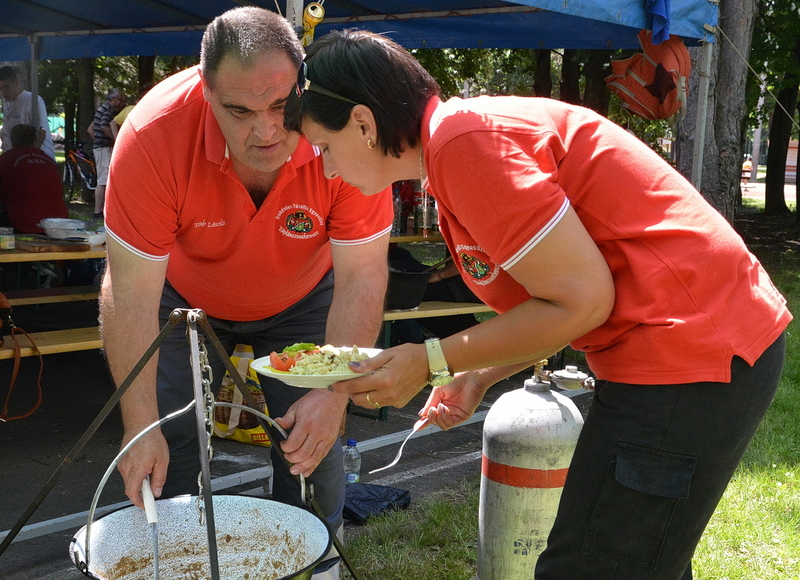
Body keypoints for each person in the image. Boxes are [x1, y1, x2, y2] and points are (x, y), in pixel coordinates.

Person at [283, 30, 792, 580]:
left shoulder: (461, 144)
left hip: (693, 354)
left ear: (364, 124)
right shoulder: (456, 141)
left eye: (324, 148)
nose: (326, 170)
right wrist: (478, 374)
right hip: (689, 353)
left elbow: (581, 301)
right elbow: (559, 302)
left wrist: (430, 360)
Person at [99, 10, 392, 579]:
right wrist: (139, 426)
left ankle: (313, 568)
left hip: (303, 297)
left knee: (312, 445)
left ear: (303, 85)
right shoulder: (153, 135)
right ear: (205, 90)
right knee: (169, 439)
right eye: (239, 111)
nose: (266, 132)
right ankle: (175, 566)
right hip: (182, 300)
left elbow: (362, 275)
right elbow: (129, 294)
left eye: (281, 105)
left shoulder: (343, 129)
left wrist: (333, 395)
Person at [0, 124, 68, 233]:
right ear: (34, 139)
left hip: (23, 222)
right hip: (59, 221)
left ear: (12, 140)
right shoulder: (47, 159)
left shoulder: (6, 159)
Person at [0, 66, 55, 161]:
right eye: (0, 89)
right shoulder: (9, 105)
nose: (3, 92)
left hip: (37, 160)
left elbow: (41, 134)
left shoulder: (33, 100)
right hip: (16, 159)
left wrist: (30, 158)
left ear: (16, 83)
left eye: (6, 87)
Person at [91, 88, 127, 219]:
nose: (123, 103)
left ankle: (100, 210)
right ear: (113, 100)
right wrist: (115, 140)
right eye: (121, 100)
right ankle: (98, 212)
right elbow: (104, 125)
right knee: (103, 180)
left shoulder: (102, 109)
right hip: (104, 148)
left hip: (100, 147)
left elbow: (90, 129)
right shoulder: (108, 109)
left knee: (103, 178)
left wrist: (97, 140)